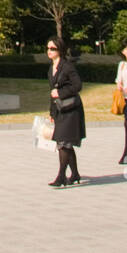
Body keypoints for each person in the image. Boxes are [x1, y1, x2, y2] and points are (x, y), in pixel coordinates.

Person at [46, 37, 86, 187]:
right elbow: (52, 92)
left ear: (60, 50)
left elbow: (78, 86)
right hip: (60, 109)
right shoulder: (51, 68)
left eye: (53, 49)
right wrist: (52, 113)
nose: (49, 51)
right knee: (65, 143)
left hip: (71, 109)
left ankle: (61, 176)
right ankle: (74, 174)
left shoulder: (67, 66)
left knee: (63, 143)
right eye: (48, 48)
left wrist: (61, 93)